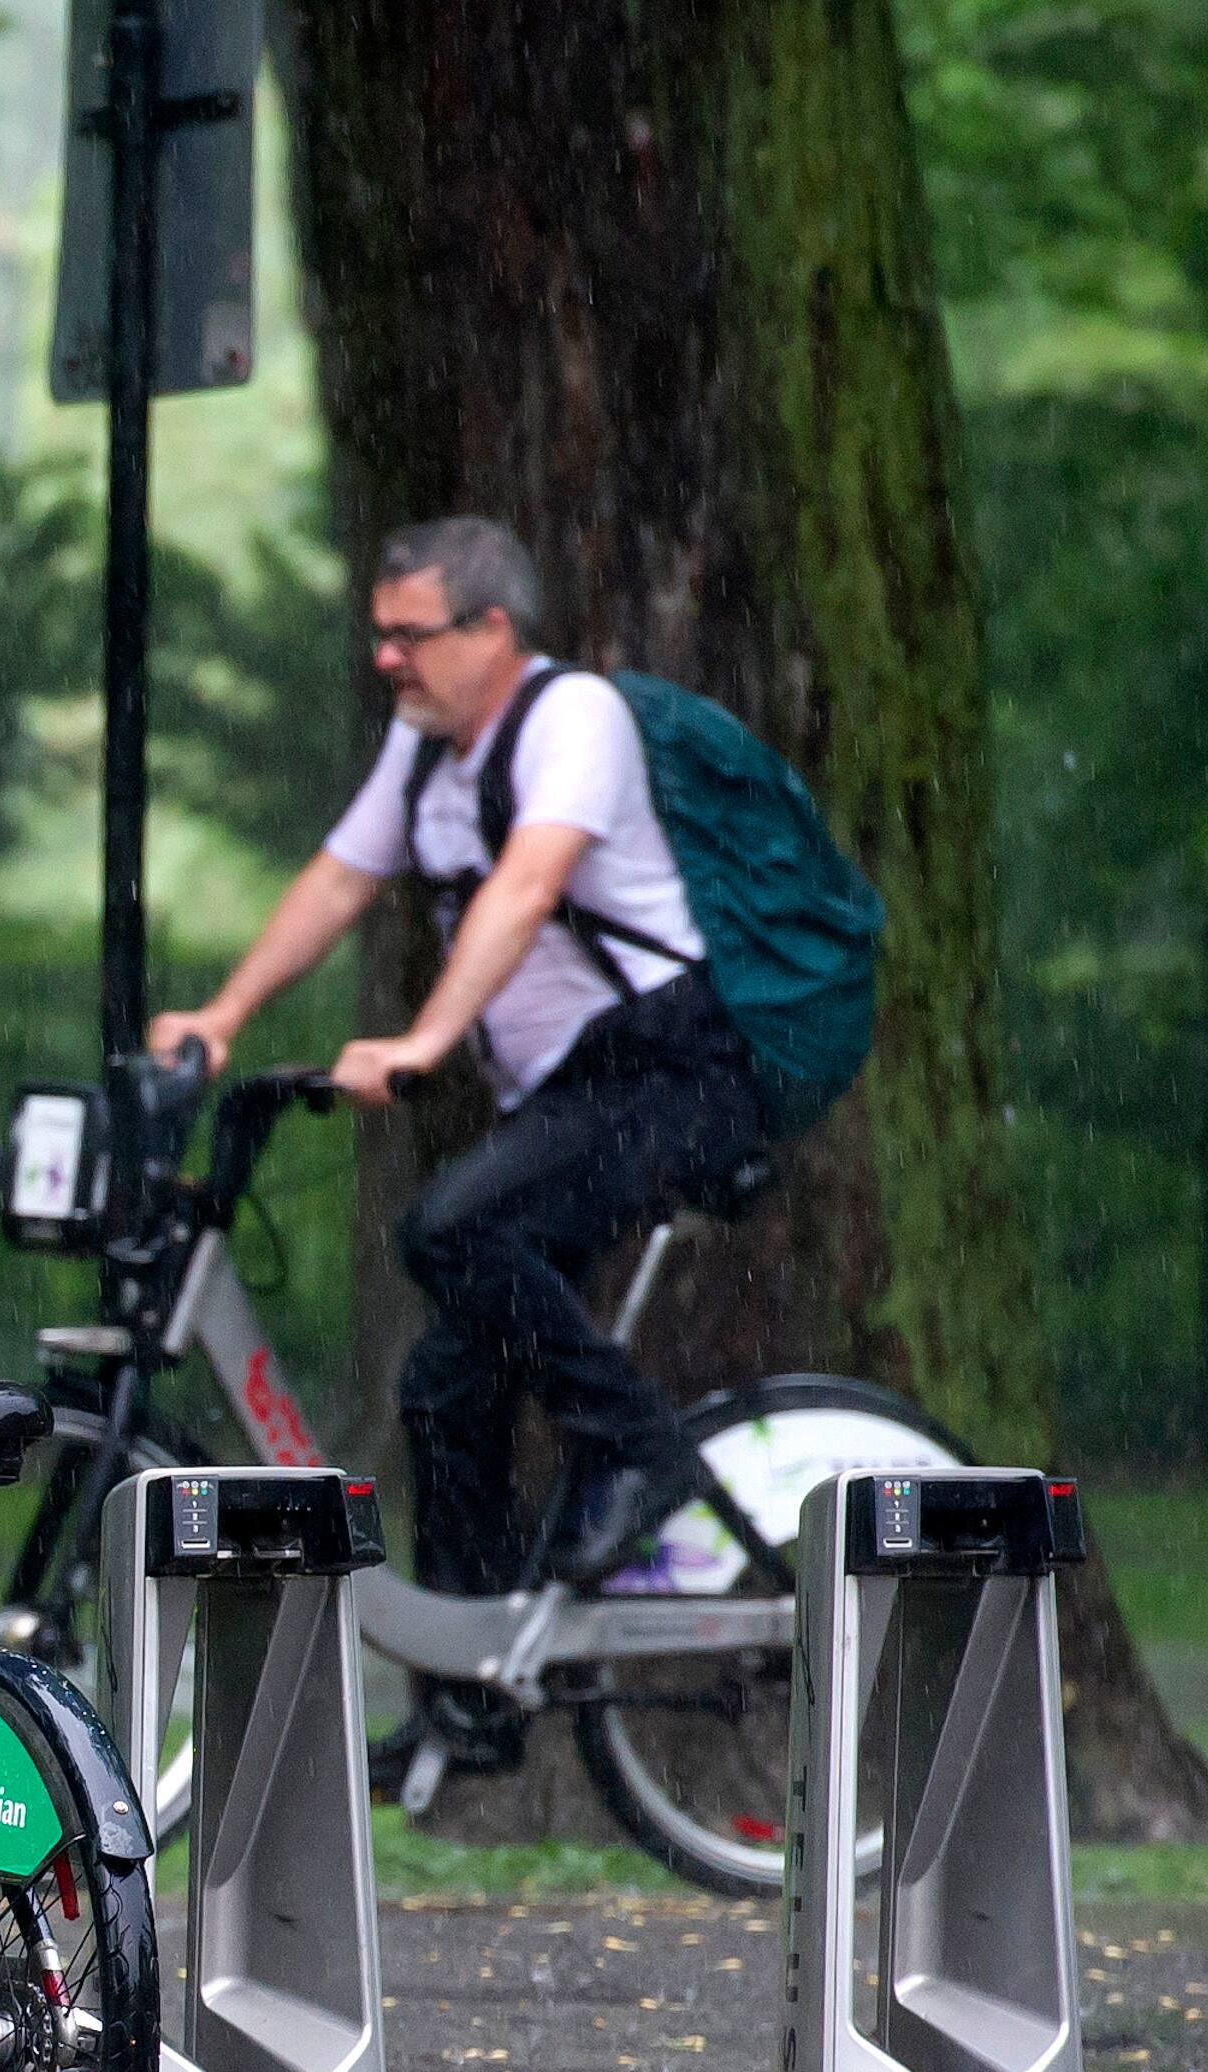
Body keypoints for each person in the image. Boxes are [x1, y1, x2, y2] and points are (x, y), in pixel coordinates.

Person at [148, 516, 763, 1758]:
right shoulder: (425, 749)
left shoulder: (570, 718)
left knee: (446, 1228)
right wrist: (221, 1016)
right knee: (443, 1384)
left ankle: (645, 1459)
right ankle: (469, 1701)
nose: (385, 658)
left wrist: (424, 1043)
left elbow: (526, 887)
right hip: (572, 1091)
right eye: (376, 634)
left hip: (668, 1072)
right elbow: (336, 879)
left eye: (408, 634)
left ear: (490, 630)